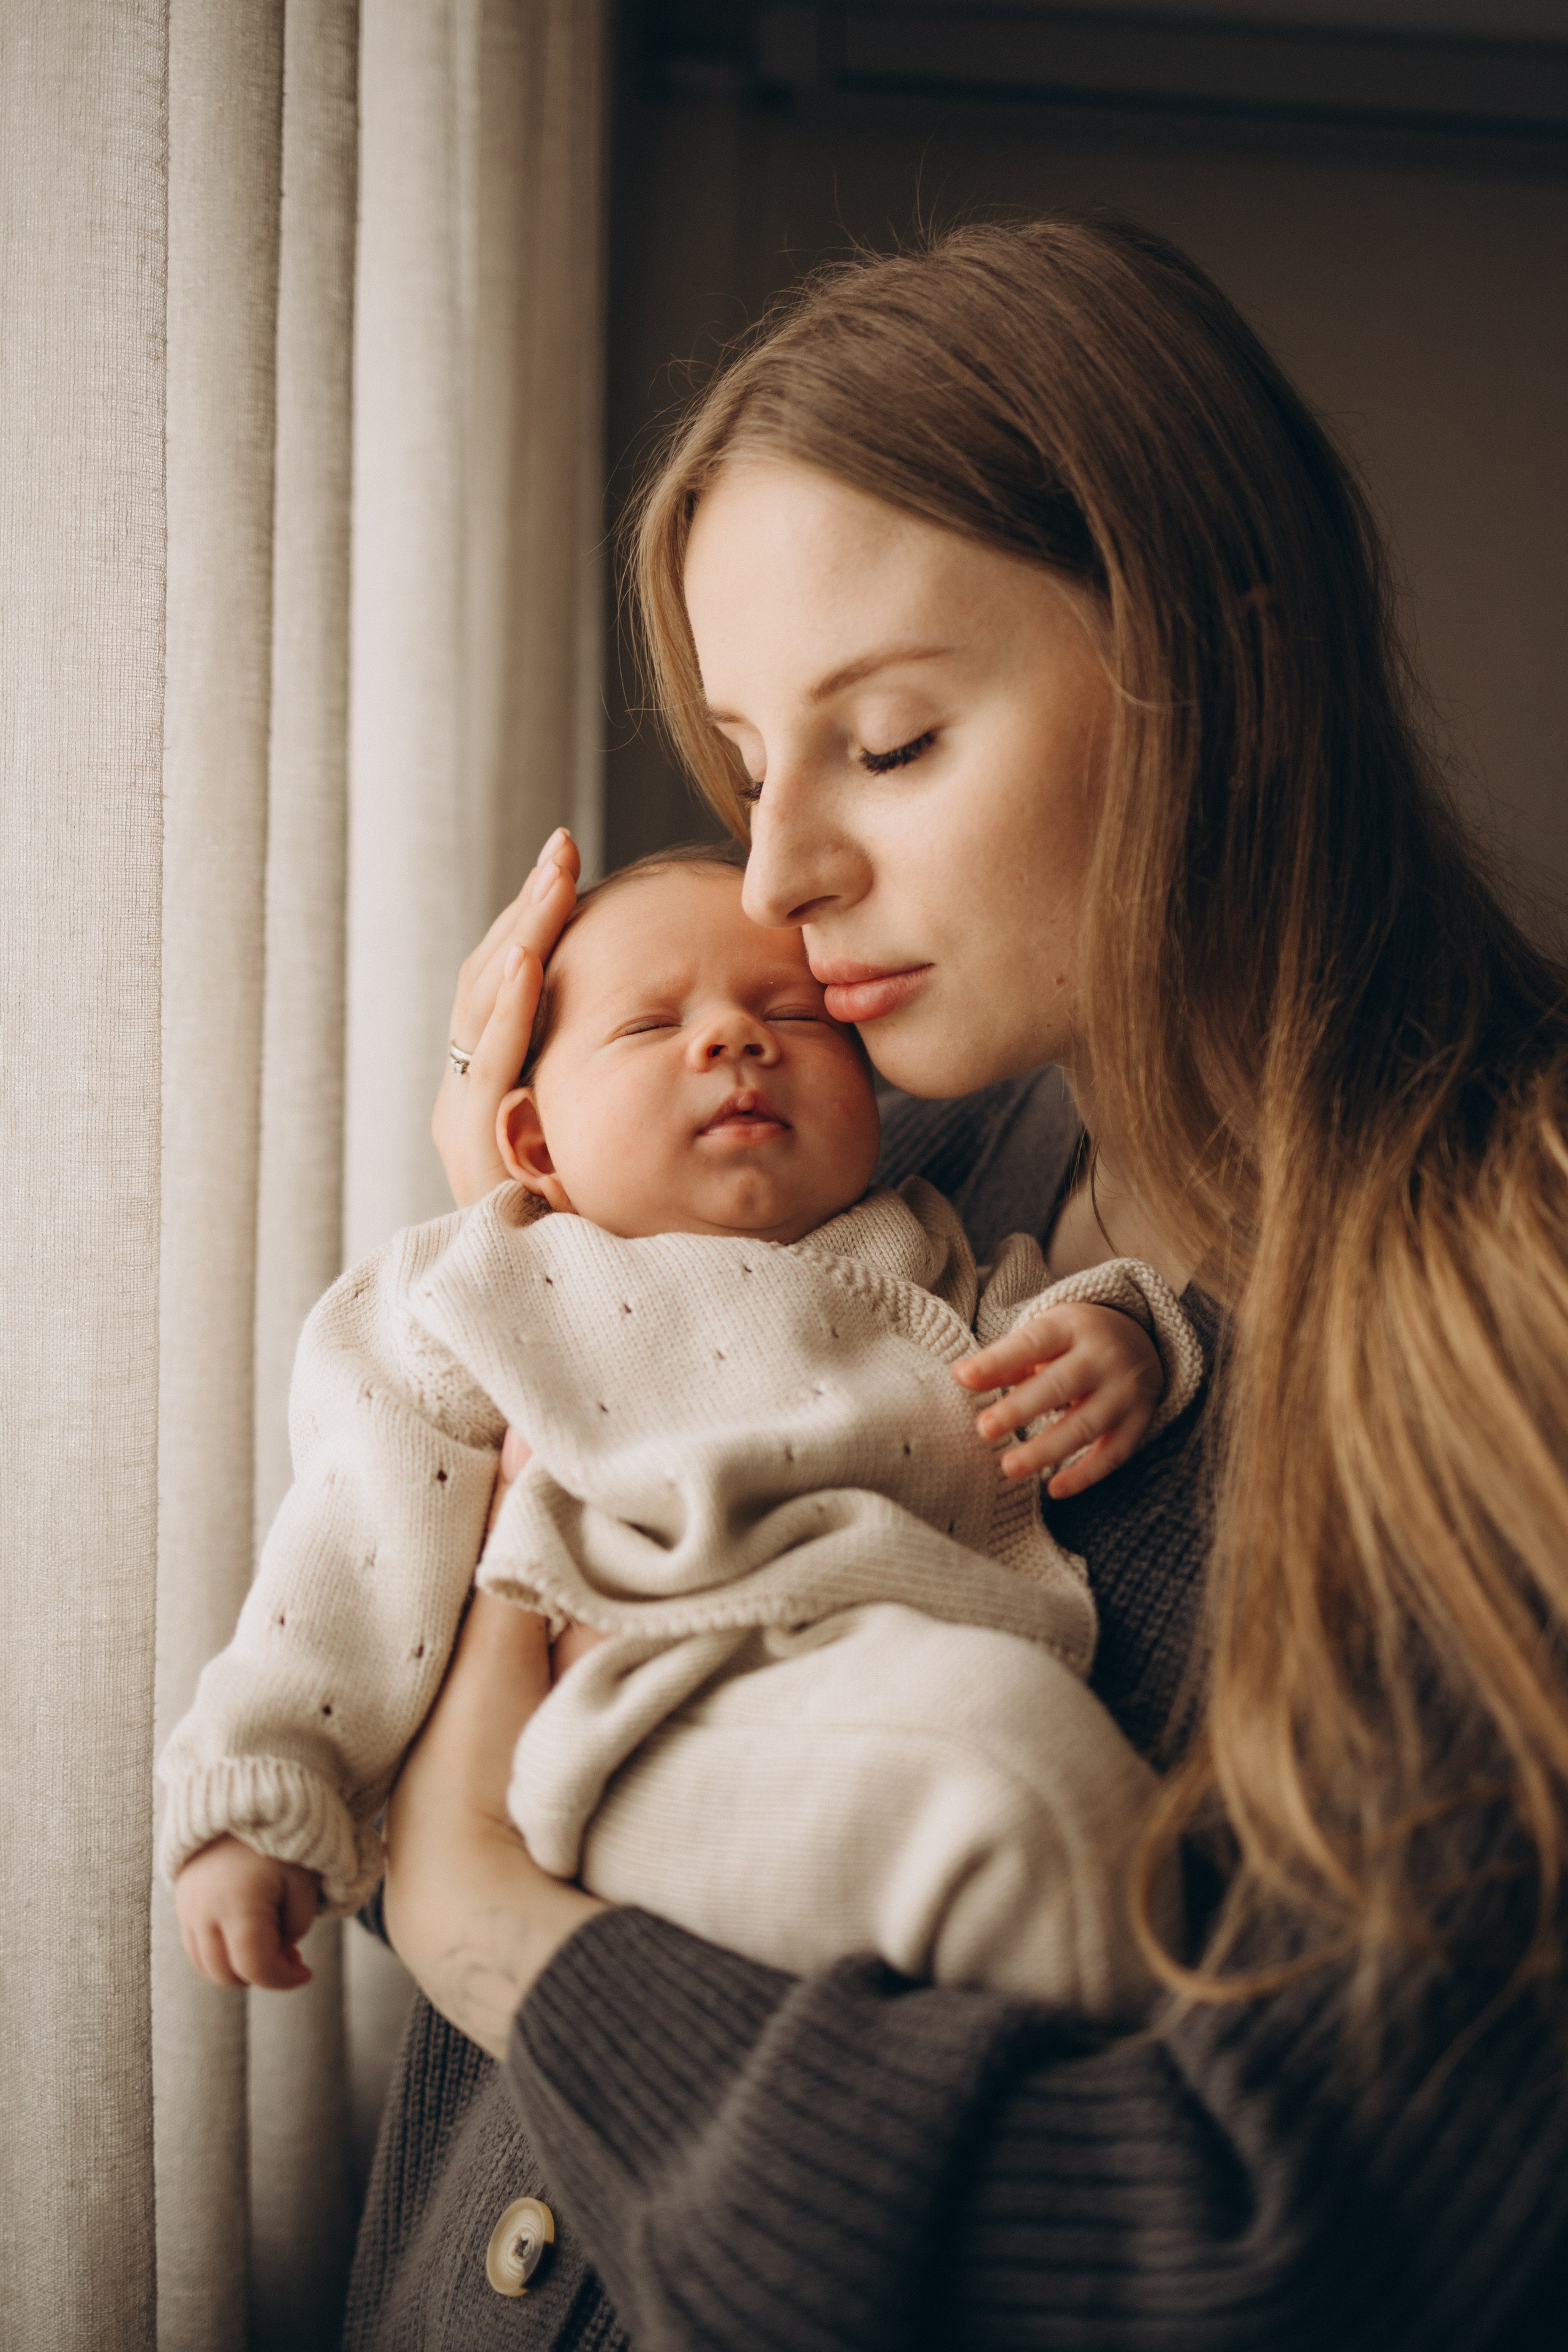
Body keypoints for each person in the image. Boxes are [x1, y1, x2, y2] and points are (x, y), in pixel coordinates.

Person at [345, 216, 1568, 2348]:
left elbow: (1241, 2252)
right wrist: (525, 1262)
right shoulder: (916, 1152)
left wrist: (488, 1932)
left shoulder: (1494, 1310)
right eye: (747, 762)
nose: (772, 874)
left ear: (1232, 679)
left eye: (889, 743)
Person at [164, 849, 1194, 2011]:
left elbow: (1039, 1337)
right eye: (652, 1025)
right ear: (537, 1145)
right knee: (1018, 1802)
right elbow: (355, 1540)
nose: (734, 1041)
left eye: (792, 1016)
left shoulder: (923, 1249)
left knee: (1041, 1802)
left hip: (899, 1677)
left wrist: (1124, 1334)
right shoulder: (482, 1281)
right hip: (640, 1724)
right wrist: (264, 1782)